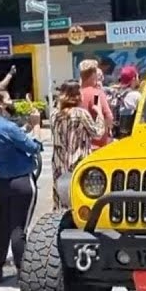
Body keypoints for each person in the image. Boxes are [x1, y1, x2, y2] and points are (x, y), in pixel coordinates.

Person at [0, 90, 41, 284]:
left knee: (4, 225)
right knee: (19, 228)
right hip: (21, 179)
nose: (11, 101)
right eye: (7, 98)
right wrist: (37, 126)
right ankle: (22, 270)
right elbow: (33, 147)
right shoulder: (7, 126)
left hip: (2, 181)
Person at [50, 81, 105, 210]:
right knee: (78, 197)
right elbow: (97, 133)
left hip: (59, 163)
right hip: (77, 161)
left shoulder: (54, 114)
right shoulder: (80, 113)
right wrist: (99, 114)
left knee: (61, 199)